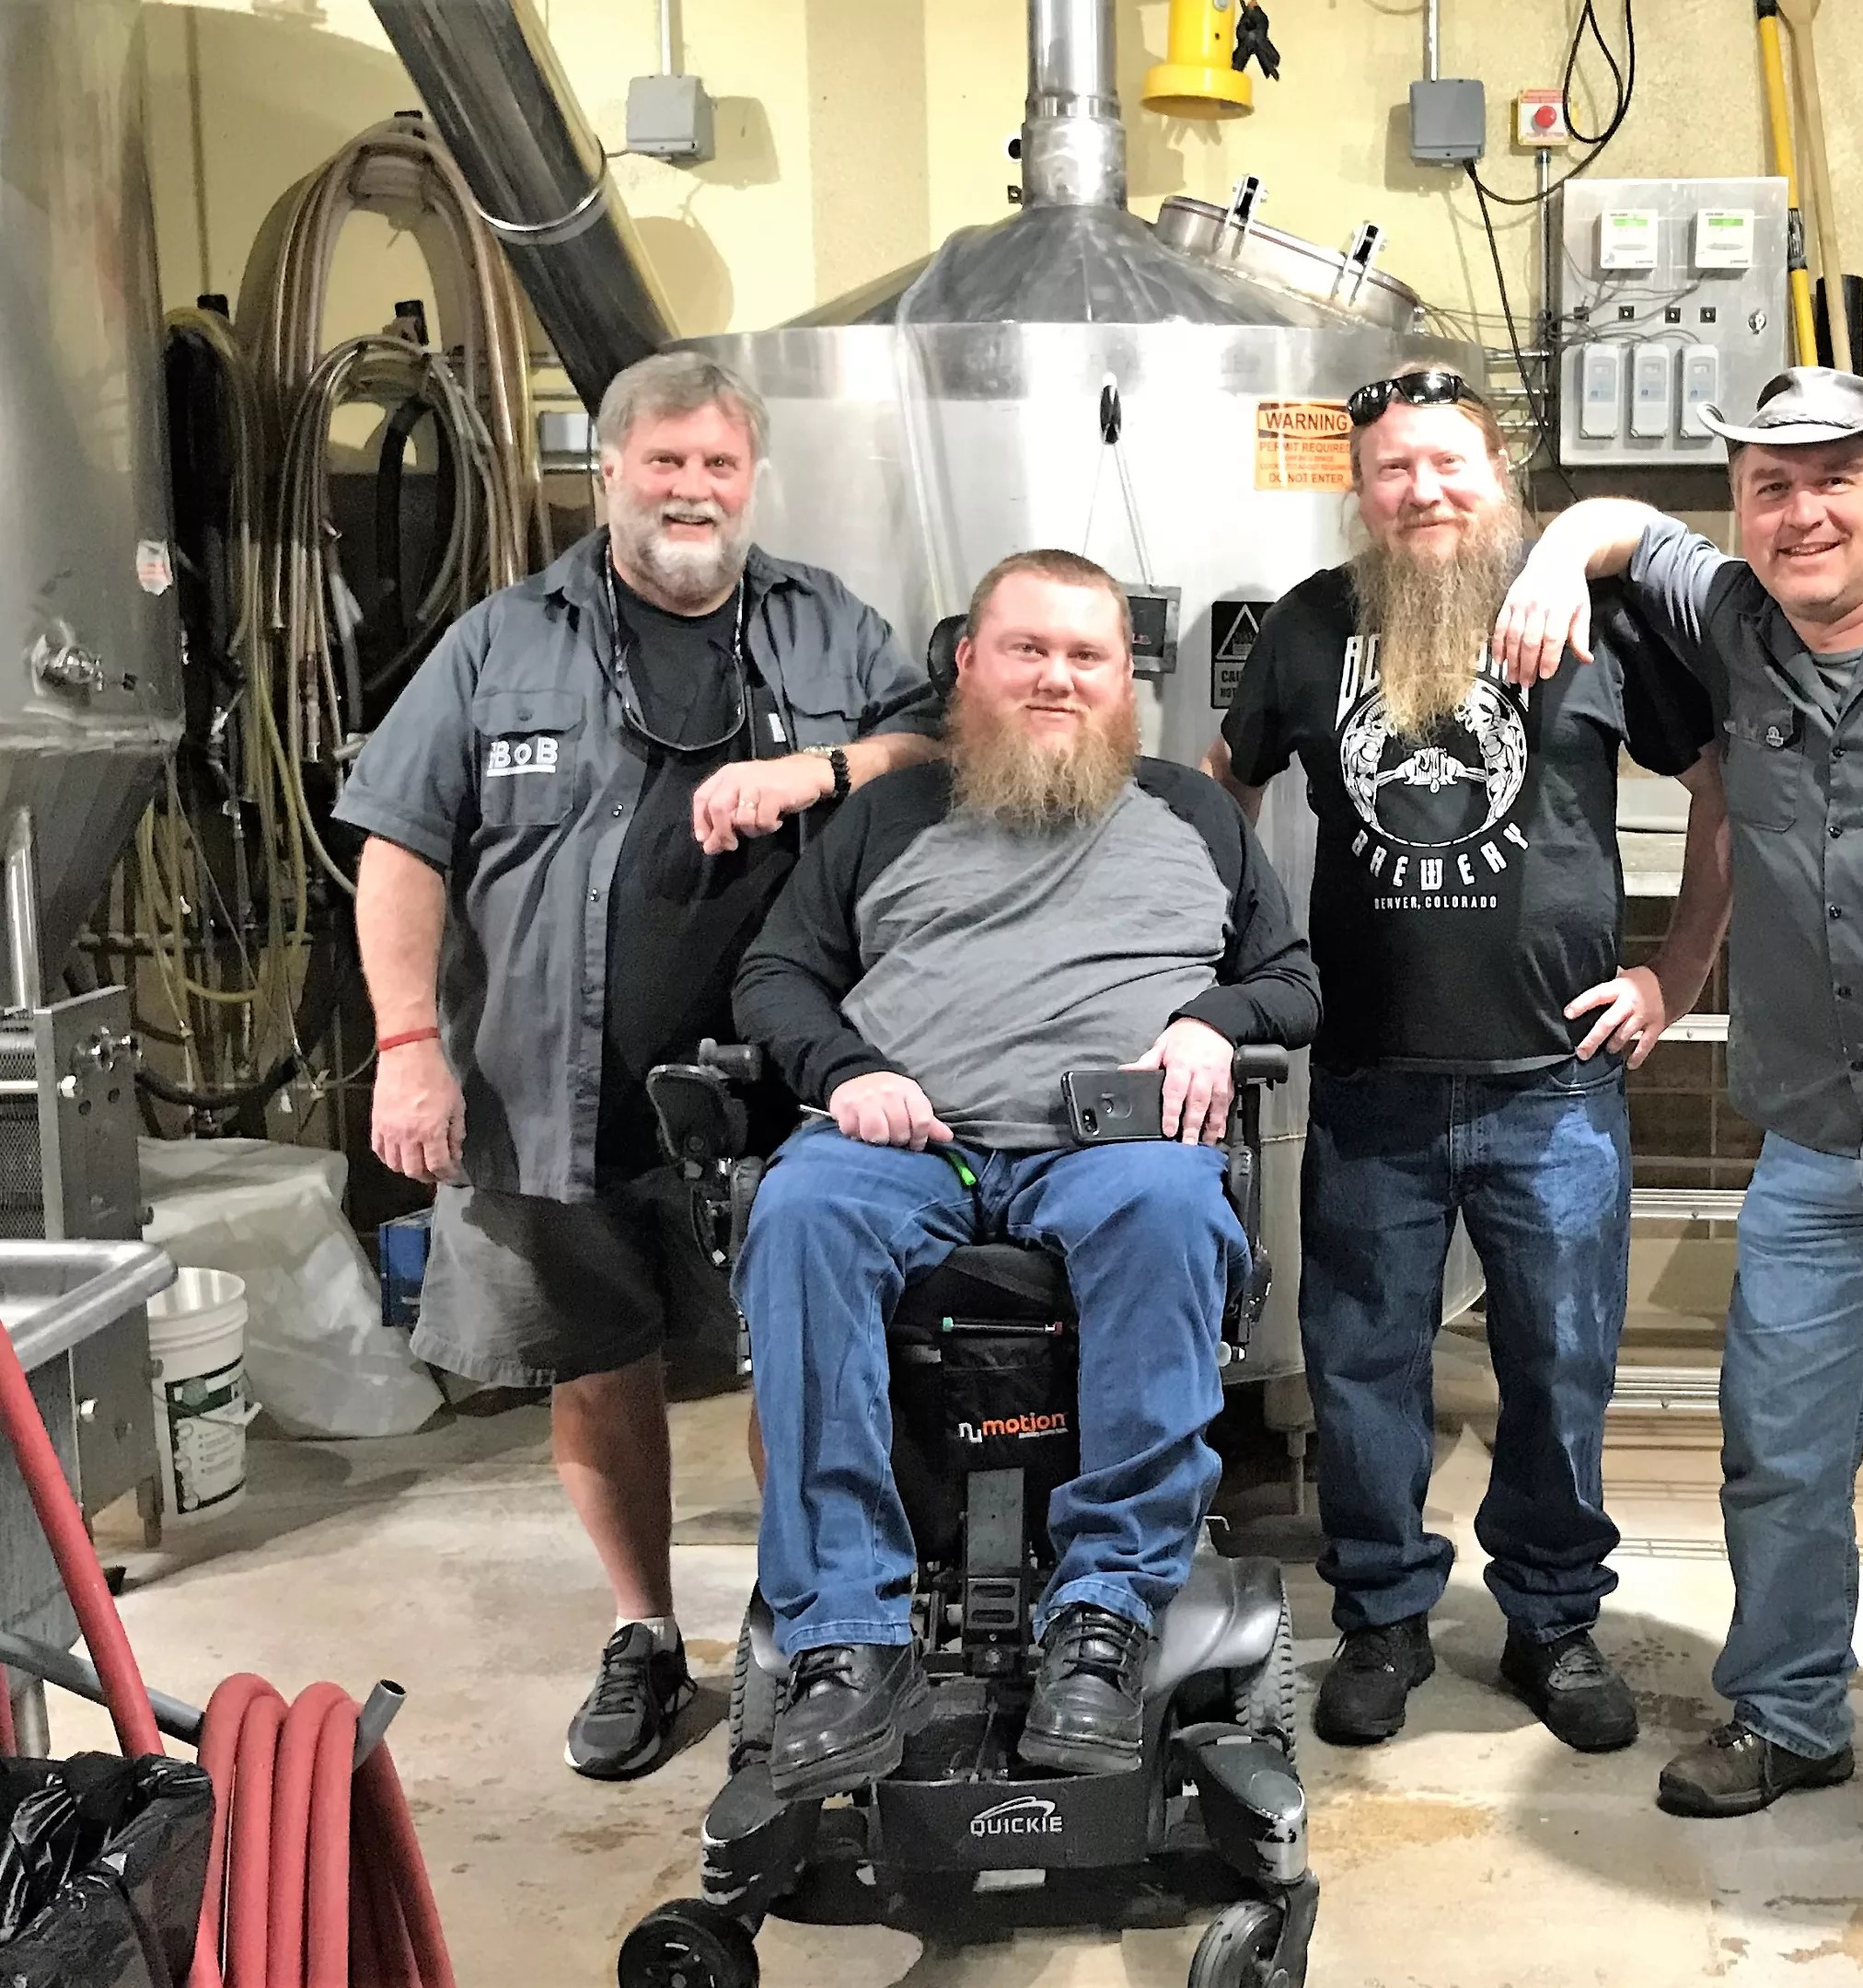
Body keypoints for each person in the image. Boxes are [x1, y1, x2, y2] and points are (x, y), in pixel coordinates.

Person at [1492, 367, 1863, 1862]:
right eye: (1767, 485)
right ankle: (1787, 1713)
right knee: (1777, 1450)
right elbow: (1623, 523)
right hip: (1813, 1143)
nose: (1798, 512)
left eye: (1833, 479)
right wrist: (1554, 552)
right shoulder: (1731, 616)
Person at [337, 350, 941, 1781]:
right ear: (605, 469)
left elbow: (938, 751)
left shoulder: (826, 624)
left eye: (718, 464)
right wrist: (407, 1048)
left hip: (793, 1093)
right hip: (559, 1086)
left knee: (800, 1368)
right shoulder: (498, 642)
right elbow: (399, 847)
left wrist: (817, 771)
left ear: (751, 478)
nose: (692, 490)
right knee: (596, 1365)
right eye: (664, 462)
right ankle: (647, 1636)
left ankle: (806, 1633)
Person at [1203, 368, 1732, 1755]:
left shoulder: (1594, 620)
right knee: (1360, 1367)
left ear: (1501, 476)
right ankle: (1382, 1617)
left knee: (1558, 1368)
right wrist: (1232, 970)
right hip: (1367, 1082)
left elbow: (1725, 790)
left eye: (1449, 464)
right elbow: (1219, 791)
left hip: (1554, 1084)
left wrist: (1673, 977)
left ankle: (1552, 1618)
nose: (1422, 490)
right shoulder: (1312, 625)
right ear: (1359, 493)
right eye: (1393, 469)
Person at [732, 549, 1320, 1795]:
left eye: (1085, 656)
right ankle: (847, 1636)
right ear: (969, 665)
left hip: (1106, 1151)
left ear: (1123, 679)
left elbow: (1292, 980)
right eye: (1028, 651)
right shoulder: (885, 816)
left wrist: (1213, 1021)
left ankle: (1102, 1619)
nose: (1058, 677)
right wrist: (844, 1070)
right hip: (910, 1141)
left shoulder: (1194, 814)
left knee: (1170, 1206)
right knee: (798, 1211)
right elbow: (774, 975)